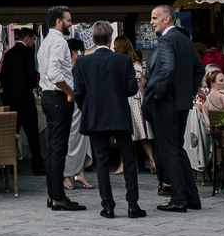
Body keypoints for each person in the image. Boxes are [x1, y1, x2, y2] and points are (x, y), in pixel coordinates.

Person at [73, 21, 145, 219]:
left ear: (93, 39)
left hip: (96, 115)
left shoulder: (82, 62)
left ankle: (108, 206)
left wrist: (88, 107)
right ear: (111, 38)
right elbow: (132, 89)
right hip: (119, 113)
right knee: (128, 160)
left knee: (102, 161)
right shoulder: (123, 61)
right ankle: (132, 204)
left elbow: (78, 92)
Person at [144, 5, 205, 213]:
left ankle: (179, 199)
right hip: (182, 102)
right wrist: (188, 91)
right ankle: (192, 198)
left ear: (167, 20)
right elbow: (199, 68)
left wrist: (159, 93)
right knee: (178, 150)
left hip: (167, 102)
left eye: (154, 18)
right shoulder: (184, 40)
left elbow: (167, 69)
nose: (151, 22)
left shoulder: (167, 40)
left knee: (170, 150)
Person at [37, 5, 85, 211]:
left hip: (49, 97)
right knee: (58, 149)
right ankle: (57, 196)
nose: (70, 23)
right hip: (58, 97)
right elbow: (55, 74)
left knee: (54, 149)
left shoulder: (46, 41)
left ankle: (54, 194)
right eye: (68, 20)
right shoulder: (58, 42)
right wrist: (69, 92)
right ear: (58, 21)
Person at [0, 27, 43, 175]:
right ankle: (37, 166)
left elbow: (3, 76)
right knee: (32, 132)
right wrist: (33, 84)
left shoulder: (9, 53)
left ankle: (9, 165)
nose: (33, 43)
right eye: (33, 39)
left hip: (11, 98)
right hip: (24, 97)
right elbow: (31, 72)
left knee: (12, 133)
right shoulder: (27, 52)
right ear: (27, 38)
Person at [111, 36, 155, 175]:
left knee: (125, 134)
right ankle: (153, 161)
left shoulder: (120, 63)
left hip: (127, 101)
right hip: (138, 100)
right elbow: (142, 83)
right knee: (142, 134)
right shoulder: (136, 63)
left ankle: (124, 164)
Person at [63, 38, 93, 192]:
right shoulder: (67, 66)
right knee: (72, 138)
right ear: (75, 52)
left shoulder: (79, 65)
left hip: (82, 105)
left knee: (82, 138)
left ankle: (79, 172)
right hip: (72, 104)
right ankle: (67, 174)